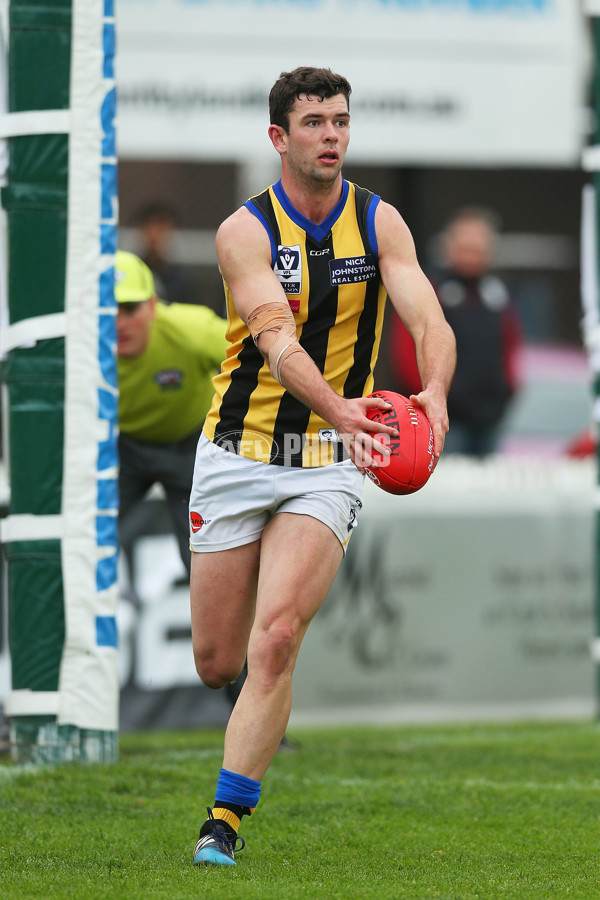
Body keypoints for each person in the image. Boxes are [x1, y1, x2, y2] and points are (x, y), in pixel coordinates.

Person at [188, 66, 456, 867]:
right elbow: (276, 340)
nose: (331, 135)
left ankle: (223, 825)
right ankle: (234, 747)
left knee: (276, 638)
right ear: (279, 137)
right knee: (217, 661)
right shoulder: (244, 231)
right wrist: (343, 406)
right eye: (313, 123)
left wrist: (434, 391)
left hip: (328, 463)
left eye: (341, 120)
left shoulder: (380, 222)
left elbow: (426, 313)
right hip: (237, 453)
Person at [116, 248, 227, 580]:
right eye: (106, 310)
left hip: (190, 446)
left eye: (130, 308)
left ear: (153, 306)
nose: (118, 322)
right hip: (122, 449)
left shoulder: (191, 330)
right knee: (84, 540)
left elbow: (259, 358)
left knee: (203, 556)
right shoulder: (77, 347)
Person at [390, 207, 522, 457]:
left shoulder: (497, 294)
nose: (472, 256)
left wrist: (507, 389)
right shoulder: (429, 289)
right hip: (443, 417)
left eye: (478, 249)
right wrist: (428, 396)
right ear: (448, 248)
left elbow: (512, 346)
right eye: (465, 248)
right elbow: (406, 349)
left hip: (490, 416)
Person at [133, 202, 196, 305]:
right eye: (148, 226)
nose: (153, 234)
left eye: (160, 227)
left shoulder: (181, 281)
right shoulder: (132, 273)